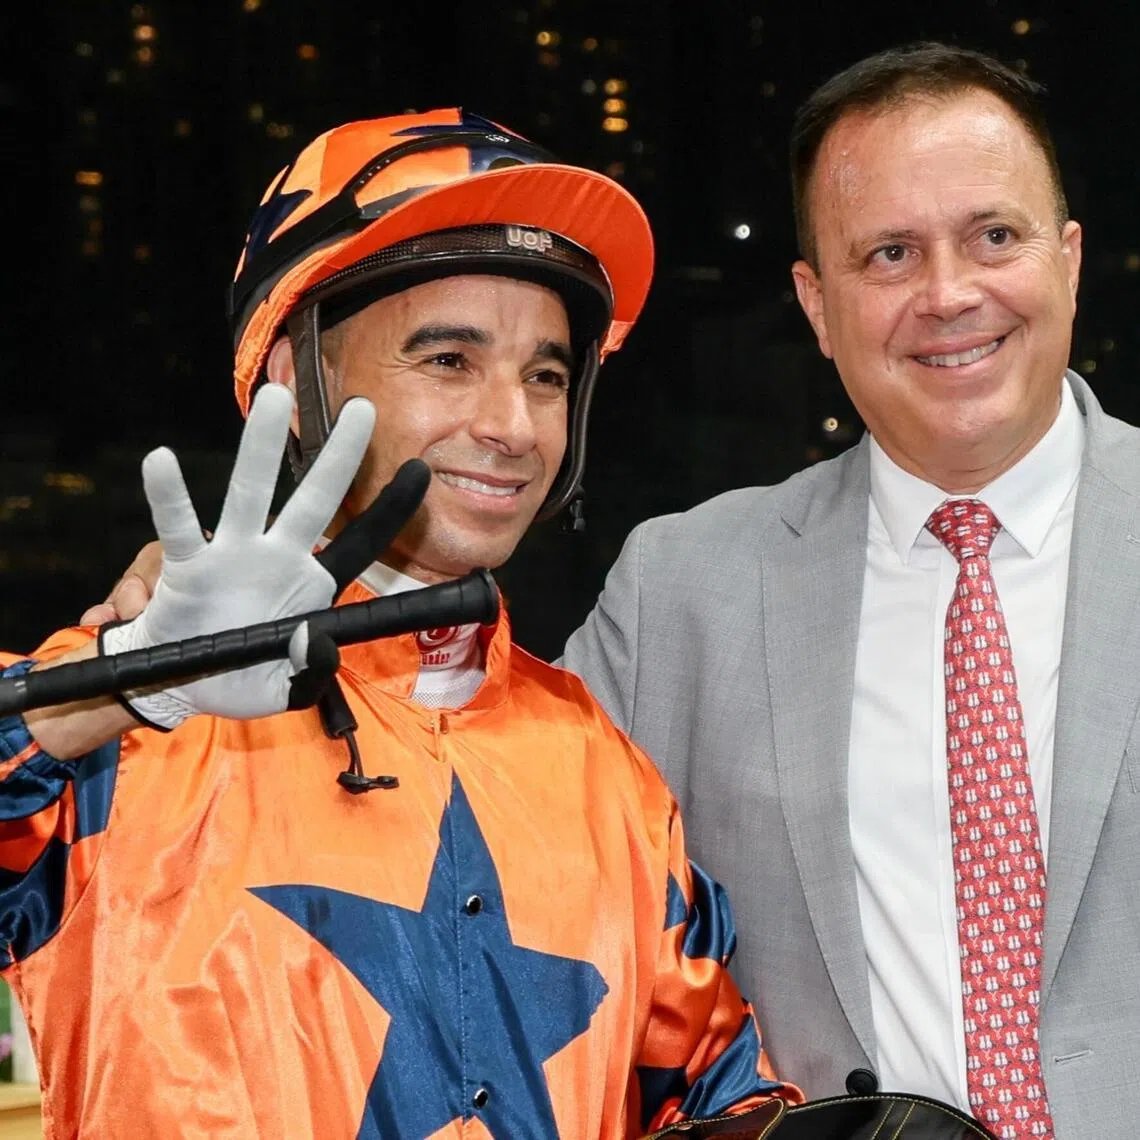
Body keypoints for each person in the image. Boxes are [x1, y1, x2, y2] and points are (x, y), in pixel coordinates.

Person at [0, 110, 800, 1138]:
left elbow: (716, 1098)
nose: (512, 426)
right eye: (449, 361)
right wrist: (132, 683)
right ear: (297, 376)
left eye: (546, 376)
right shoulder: (113, 721)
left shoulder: (610, 773)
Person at [561, 42, 1140, 1140]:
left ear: (1068, 259)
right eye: (888, 254)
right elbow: (480, 838)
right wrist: (186, 661)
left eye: (994, 237)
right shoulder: (685, 590)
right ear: (817, 306)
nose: (948, 294)